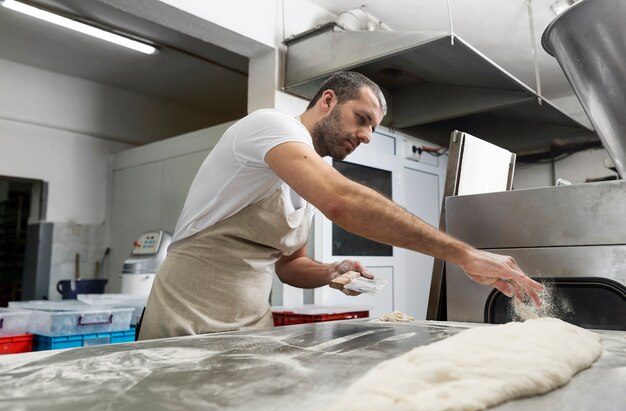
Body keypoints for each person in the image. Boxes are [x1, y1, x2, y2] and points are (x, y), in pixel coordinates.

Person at [137, 71, 543, 340]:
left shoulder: (308, 175)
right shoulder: (269, 126)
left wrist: (332, 272)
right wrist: (465, 255)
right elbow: (341, 200)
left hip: (250, 329)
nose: (366, 136)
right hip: (186, 322)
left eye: (373, 128)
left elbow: (287, 264)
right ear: (328, 101)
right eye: (362, 119)